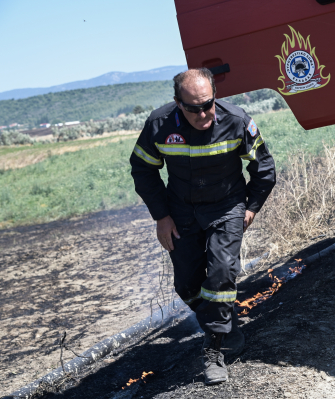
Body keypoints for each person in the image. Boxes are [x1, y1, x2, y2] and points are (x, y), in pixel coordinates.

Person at [129, 68, 276, 384]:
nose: (202, 113)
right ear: (177, 103)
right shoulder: (159, 124)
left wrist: (249, 209)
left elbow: (264, 169)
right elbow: (142, 169)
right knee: (186, 284)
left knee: (222, 273)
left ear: (215, 97)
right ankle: (223, 322)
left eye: (207, 104)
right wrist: (161, 217)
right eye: (193, 107)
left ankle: (214, 351)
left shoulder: (237, 121)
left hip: (227, 207)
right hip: (180, 212)